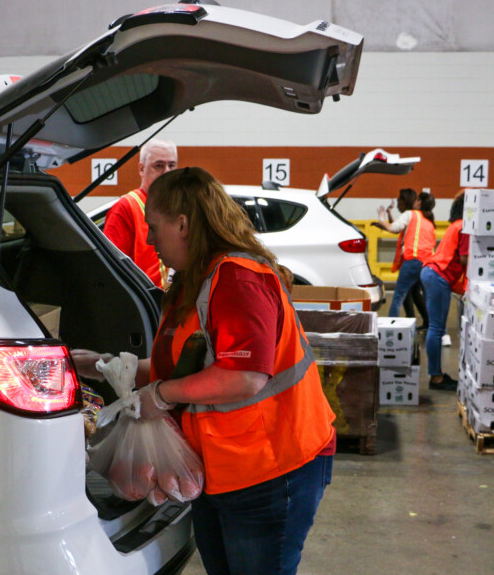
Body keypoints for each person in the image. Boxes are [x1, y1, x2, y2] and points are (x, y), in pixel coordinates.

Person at [75, 167, 336, 575]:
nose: (147, 240)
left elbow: (243, 377)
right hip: (221, 469)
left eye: (153, 227)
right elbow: (177, 370)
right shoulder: (194, 282)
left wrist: (159, 396)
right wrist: (105, 366)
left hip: (272, 469)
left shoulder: (238, 280)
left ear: (182, 224)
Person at [103, 139, 177, 288]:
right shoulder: (126, 207)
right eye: (159, 166)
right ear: (142, 169)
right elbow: (111, 269)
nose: (167, 172)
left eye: (172, 165)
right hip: (146, 304)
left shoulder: (181, 206)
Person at [419, 191, 469, 392]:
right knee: (437, 328)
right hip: (438, 276)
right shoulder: (465, 226)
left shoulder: (455, 224)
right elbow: (465, 260)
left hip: (431, 272)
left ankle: (436, 373)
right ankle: (436, 378)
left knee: (436, 328)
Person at [376, 189, 435, 324]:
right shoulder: (428, 221)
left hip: (413, 260)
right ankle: (437, 328)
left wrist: (381, 218)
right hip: (427, 264)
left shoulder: (411, 214)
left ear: (419, 202)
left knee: (399, 296)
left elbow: (393, 228)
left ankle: (390, 328)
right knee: (424, 296)